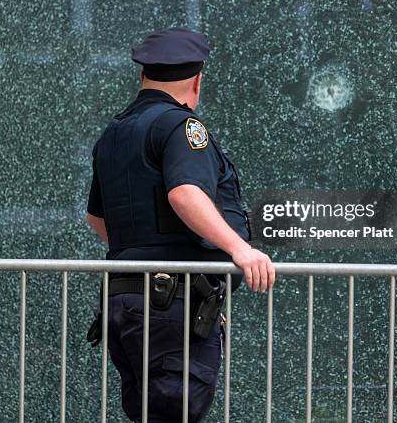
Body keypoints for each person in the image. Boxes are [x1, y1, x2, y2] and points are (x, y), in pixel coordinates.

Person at [85, 26, 275, 422]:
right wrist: (240, 249)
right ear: (197, 82)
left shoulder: (114, 134)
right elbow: (185, 193)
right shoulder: (182, 127)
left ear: (142, 77)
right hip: (169, 304)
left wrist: (143, 255)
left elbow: (96, 218)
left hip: (125, 300)